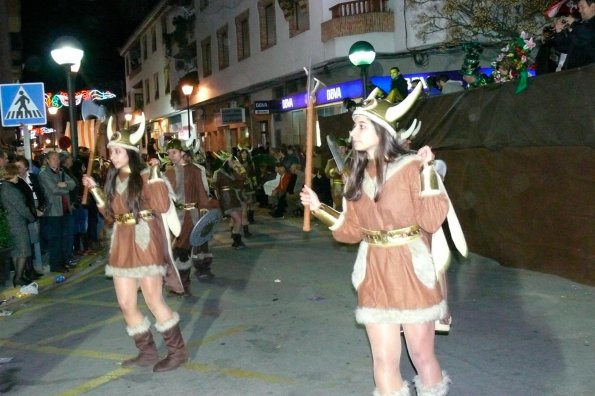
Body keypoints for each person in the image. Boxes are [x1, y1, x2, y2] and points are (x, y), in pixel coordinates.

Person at [300, 85, 458, 396]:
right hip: (373, 272)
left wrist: (427, 174)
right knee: (383, 359)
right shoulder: (356, 177)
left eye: (361, 126)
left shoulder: (413, 167)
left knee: (422, 355)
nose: (353, 132)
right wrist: (320, 209)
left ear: (381, 131)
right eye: (354, 125)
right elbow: (351, 232)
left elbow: (430, 221)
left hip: (411, 271)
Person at [82, 115, 188, 372]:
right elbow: (110, 215)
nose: (114, 155)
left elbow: (162, 206)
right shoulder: (113, 179)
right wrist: (95, 188)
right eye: (111, 151)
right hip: (121, 243)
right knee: (126, 303)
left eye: (118, 151)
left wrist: (154, 175)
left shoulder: (144, 175)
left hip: (145, 240)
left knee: (153, 299)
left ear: (130, 151)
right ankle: (147, 352)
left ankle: (178, 352)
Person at [156, 138, 214, 294]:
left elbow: (202, 192)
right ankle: (179, 282)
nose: (171, 156)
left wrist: (205, 211)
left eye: (174, 152)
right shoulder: (168, 171)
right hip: (173, 216)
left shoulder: (194, 170)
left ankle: (183, 283)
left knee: (182, 250)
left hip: (190, 216)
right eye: (168, 153)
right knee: (175, 249)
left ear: (182, 152)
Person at [38, 151, 76, 273]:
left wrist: (63, 184)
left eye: (57, 158)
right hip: (53, 211)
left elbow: (73, 183)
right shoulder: (44, 174)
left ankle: (64, 261)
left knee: (65, 237)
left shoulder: (61, 172)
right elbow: (54, 190)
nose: (56, 160)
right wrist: (66, 188)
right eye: (53, 158)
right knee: (55, 239)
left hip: (65, 209)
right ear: (47, 160)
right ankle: (56, 265)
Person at [0, 163, 36, 287]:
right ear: (10, 175)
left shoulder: (4, 187)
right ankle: (18, 277)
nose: (17, 177)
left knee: (16, 252)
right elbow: (21, 207)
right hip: (16, 223)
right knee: (23, 251)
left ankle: (19, 276)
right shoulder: (9, 189)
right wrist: (31, 217)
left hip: (10, 222)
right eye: (15, 174)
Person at [212, 152, 247, 248]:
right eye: (231, 161)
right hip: (226, 198)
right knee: (238, 219)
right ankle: (236, 241)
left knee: (238, 219)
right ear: (226, 162)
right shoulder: (218, 172)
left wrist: (240, 167)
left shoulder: (232, 171)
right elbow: (215, 188)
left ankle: (237, 240)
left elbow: (242, 179)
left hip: (234, 197)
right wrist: (220, 202)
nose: (233, 162)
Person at [324, 138, 350, 212]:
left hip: (349, 187)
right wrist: (334, 170)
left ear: (346, 149)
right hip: (337, 188)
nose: (341, 150)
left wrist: (348, 172)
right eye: (339, 148)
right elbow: (327, 173)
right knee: (339, 208)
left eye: (343, 148)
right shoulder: (331, 161)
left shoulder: (352, 161)